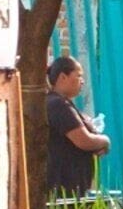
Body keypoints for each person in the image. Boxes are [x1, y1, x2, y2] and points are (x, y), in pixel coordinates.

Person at [41, 55, 111, 201]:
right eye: (78, 76)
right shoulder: (58, 105)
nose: (82, 81)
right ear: (63, 77)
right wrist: (105, 140)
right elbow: (84, 140)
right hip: (65, 190)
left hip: (73, 188)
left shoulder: (62, 104)